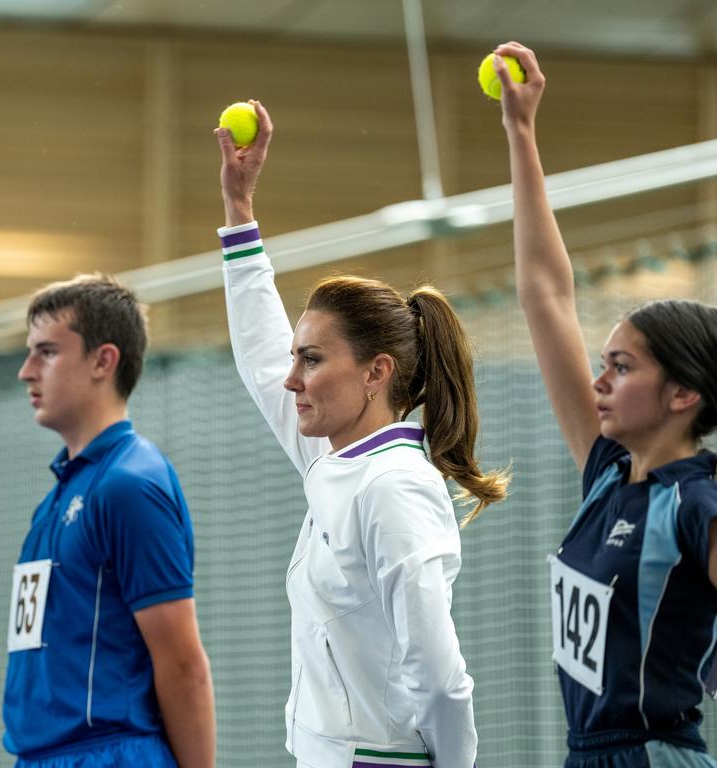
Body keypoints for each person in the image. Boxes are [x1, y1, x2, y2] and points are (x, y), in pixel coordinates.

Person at [215, 102, 508, 768]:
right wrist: (239, 208)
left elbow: (439, 674)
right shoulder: (332, 457)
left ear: (377, 372)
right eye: (297, 358)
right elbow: (262, 353)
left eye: (312, 360)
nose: (290, 379)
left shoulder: (396, 487)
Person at [495, 41, 717, 768]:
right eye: (602, 364)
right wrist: (521, 134)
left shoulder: (697, 506)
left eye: (621, 368)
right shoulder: (605, 474)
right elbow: (546, 295)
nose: (598, 382)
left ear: (684, 393)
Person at [4, 274, 215, 768]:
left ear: (103, 360)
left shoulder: (130, 485)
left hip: (110, 755)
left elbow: (183, 664)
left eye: (47, 352)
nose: (26, 371)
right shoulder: (58, 497)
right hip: (42, 756)